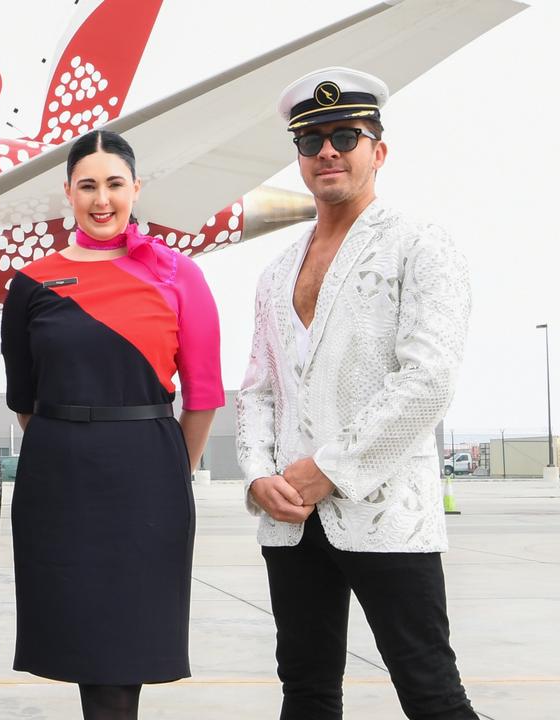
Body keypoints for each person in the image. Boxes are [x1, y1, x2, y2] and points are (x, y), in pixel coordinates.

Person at [235, 66, 477, 719]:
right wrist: (259, 477)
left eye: (347, 134)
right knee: (307, 692)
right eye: (311, 141)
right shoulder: (277, 270)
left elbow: (428, 379)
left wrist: (327, 471)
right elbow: (257, 390)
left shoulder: (419, 244)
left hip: (387, 509)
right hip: (290, 519)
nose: (327, 151)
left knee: (430, 690)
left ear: (379, 150)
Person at [0, 129, 222, 719]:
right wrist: (74, 436)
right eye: (88, 186)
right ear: (67, 193)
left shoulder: (179, 275)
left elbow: (202, 394)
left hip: (147, 474)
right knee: (84, 651)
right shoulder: (30, 282)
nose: (102, 200)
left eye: (115, 184)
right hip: (59, 477)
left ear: (135, 188)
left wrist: (174, 470)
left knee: (125, 660)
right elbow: (24, 397)